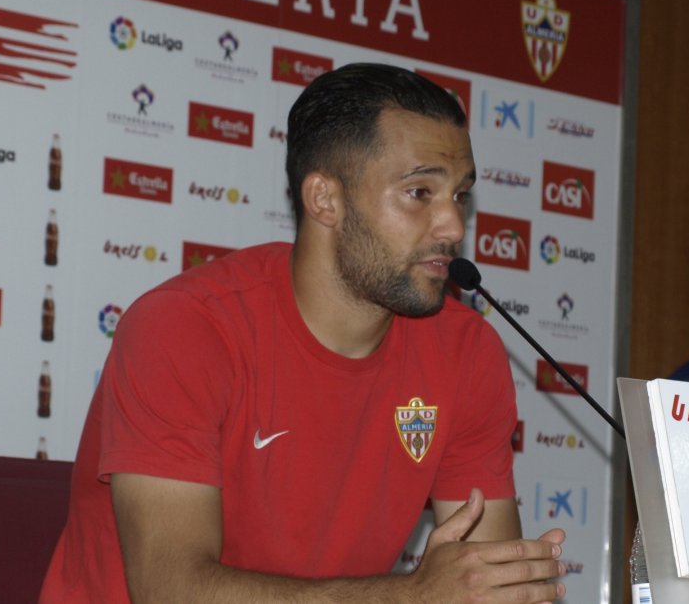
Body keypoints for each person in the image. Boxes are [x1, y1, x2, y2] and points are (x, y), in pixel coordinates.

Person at [39, 63, 566, 603]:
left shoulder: (466, 351)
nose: (453, 227)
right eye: (419, 193)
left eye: (458, 195)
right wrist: (411, 598)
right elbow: (172, 590)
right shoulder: (183, 327)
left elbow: (480, 584)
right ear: (324, 200)